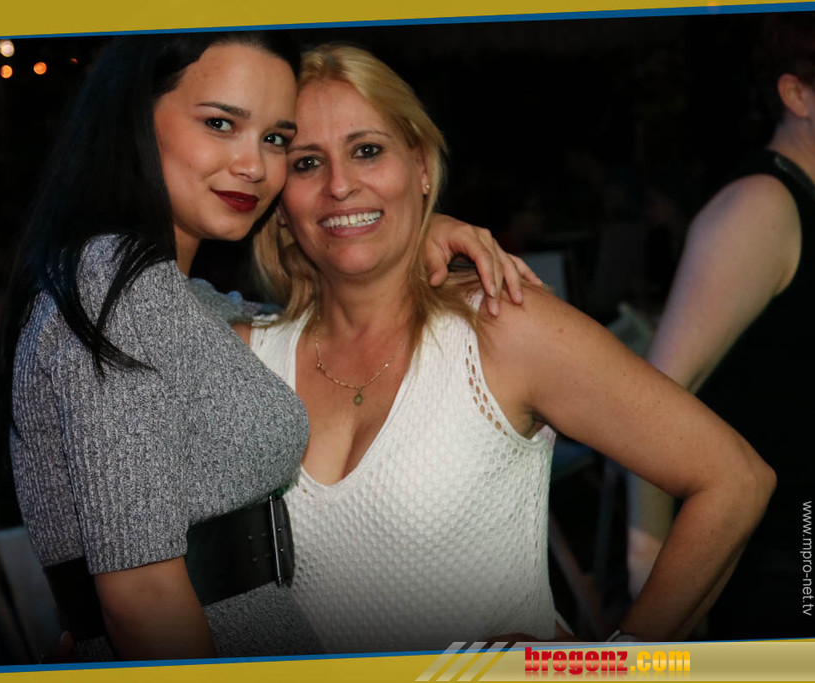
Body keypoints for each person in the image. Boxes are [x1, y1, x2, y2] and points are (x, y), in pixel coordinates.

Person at [0, 32, 536, 662]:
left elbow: (266, 323)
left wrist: (415, 232)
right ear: (134, 119)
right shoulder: (113, 284)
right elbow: (143, 597)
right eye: (221, 124)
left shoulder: (162, 295)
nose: (254, 165)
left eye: (275, 139)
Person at [245, 43, 776, 652]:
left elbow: (734, 479)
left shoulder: (502, 328)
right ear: (278, 200)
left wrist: (616, 661)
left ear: (420, 167)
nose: (340, 184)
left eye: (367, 150)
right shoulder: (245, 358)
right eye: (307, 163)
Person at [627, 13, 815, 640]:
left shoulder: (812, 200)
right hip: (786, 559)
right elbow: (647, 402)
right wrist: (651, 581)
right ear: (797, 95)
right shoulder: (760, 207)